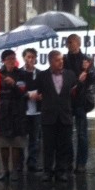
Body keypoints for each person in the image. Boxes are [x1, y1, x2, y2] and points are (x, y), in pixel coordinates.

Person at [35, 50, 76, 183]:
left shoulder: (70, 75)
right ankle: (47, 171)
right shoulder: (42, 76)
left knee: (63, 145)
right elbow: (37, 91)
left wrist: (82, 80)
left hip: (65, 116)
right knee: (48, 146)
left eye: (62, 60)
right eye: (58, 60)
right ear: (51, 61)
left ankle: (61, 171)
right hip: (48, 116)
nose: (61, 62)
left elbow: (76, 92)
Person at [64, 34, 95, 174]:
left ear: (78, 43)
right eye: (67, 42)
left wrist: (88, 70)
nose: (68, 44)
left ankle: (81, 163)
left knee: (82, 134)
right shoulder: (64, 59)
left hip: (81, 101)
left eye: (70, 42)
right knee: (67, 134)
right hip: (67, 101)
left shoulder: (86, 60)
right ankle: (68, 161)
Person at [0, 49, 29, 181]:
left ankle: (14, 170)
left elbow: (24, 92)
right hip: (2, 113)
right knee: (3, 143)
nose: (12, 61)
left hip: (17, 111)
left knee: (16, 143)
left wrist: (14, 84)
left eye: (13, 58)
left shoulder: (21, 74)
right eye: (9, 58)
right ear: (3, 60)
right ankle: (5, 170)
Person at [22, 47, 42, 172]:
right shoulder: (19, 73)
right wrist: (28, 95)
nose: (30, 59)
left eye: (33, 57)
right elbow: (17, 90)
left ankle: (32, 162)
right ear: (24, 58)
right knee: (21, 137)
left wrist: (41, 95)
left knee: (35, 138)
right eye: (28, 57)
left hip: (37, 110)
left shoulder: (40, 74)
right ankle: (19, 163)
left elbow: (45, 88)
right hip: (23, 110)